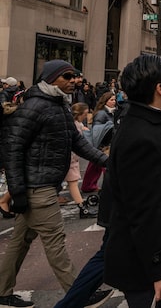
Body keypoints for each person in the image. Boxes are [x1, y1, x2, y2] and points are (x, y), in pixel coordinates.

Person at [0, 60, 108, 308]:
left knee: (20, 241)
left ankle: (2, 292)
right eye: (67, 76)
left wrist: (108, 161)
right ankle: (78, 293)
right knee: (55, 240)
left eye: (74, 76)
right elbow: (13, 151)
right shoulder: (35, 107)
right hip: (38, 189)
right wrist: (16, 192)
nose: (73, 80)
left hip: (41, 186)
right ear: (50, 79)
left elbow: (78, 143)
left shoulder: (59, 105)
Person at [103, 54, 161, 307]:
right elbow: (144, 211)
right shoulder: (140, 136)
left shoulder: (158, 121)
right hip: (147, 260)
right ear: (160, 88)